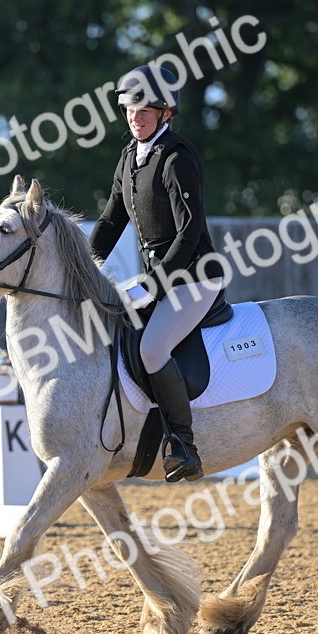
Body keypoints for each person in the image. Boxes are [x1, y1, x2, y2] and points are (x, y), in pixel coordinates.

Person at [89, 65, 225, 483]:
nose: (135, 117)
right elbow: (110, 223)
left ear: (166, 113)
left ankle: (184, 446)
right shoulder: (129, 157)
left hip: (194, 277)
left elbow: (189, 233)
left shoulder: (176, 157)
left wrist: (153, 285)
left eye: (145, 110)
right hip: (157, 277)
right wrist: (85, 269)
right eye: (130, 109)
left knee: (152, 348)